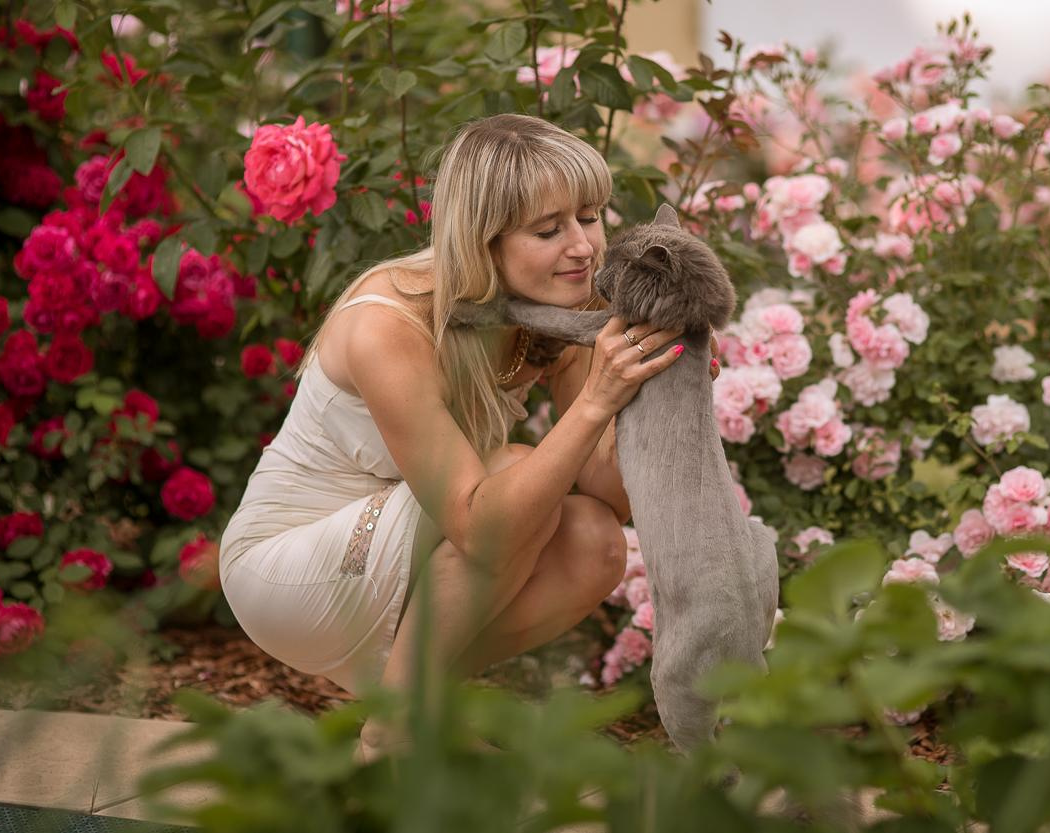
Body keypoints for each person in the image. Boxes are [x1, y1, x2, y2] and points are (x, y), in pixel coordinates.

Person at [219, 113, 716, 700]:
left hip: (409, 548)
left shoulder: (561, 304)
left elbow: (610, 493)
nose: (583, 247)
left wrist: (663, 391)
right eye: (548, 230)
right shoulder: (388, 322)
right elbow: (480, 528)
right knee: (512, 480)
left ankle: (415, 701)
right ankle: (399, 725)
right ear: (483, 239)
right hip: (288, 572)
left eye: (588, 217)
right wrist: (595, 400)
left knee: (594, 543)